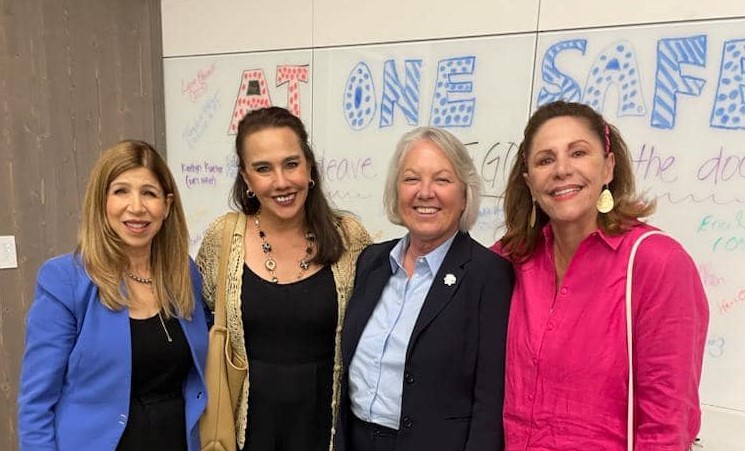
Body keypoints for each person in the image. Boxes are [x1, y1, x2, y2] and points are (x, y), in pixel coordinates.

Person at [493, 100, 709, 450]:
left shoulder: (658, 263)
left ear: (608, 167)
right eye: (545, 160)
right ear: (530, 183)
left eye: (578, 153)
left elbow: (668, 425)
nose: (562, 169)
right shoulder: (510, 258)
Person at [195, 106, 371, 451]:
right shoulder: (223, 238)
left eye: (291, 164)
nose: (281, 182)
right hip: (247, 433)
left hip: (325, 431)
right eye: (263, 169)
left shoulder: (349, 238)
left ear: (309, 167)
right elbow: (196, 325)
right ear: (246, 178)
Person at [18, 140, 209, 450]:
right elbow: (36, 405)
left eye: (149, 193)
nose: (136, 207)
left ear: (167, 205)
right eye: (121, 191)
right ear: (102, 201)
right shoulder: (65, 281)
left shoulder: (184, 274)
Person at [334, 127, 514, 451]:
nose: (425, 192)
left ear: (465, 195)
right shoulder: (372, 262)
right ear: (396, 190)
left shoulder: (489, 275)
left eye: (442, 180)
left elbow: (489, 403)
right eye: (411, 179)